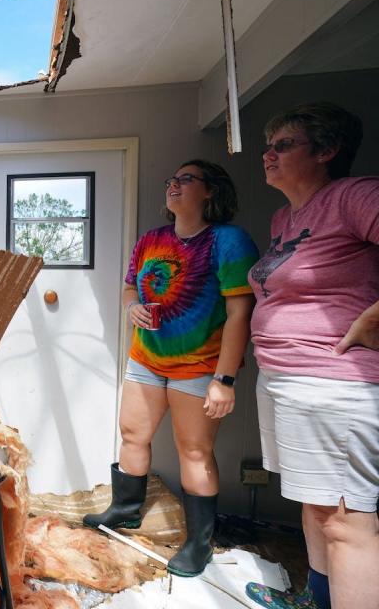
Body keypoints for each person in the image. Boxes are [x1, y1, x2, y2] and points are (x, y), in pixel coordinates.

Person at [83, 159, 259, 577]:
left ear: (211, 190)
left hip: (199, 368)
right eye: (171, 179)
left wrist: (225, 379)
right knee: (132, 434)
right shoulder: (151, 239)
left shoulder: (228, 241)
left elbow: (240, 313)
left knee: (195, 453)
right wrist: (131, 307)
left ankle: (199, 545)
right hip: (146, 359)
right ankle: (126, 510)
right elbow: (130, 285)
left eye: (185, 180)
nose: (174, 185)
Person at [243, 102, 379, 609]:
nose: (268, 155)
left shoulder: (354, 196)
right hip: (285, 378)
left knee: (346, 523)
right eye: (268, 146)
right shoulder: (286, 217)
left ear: (326, 151)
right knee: (317, 508)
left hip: (333, 382)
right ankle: (314, 600)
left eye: (283, 145)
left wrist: (374, 317)